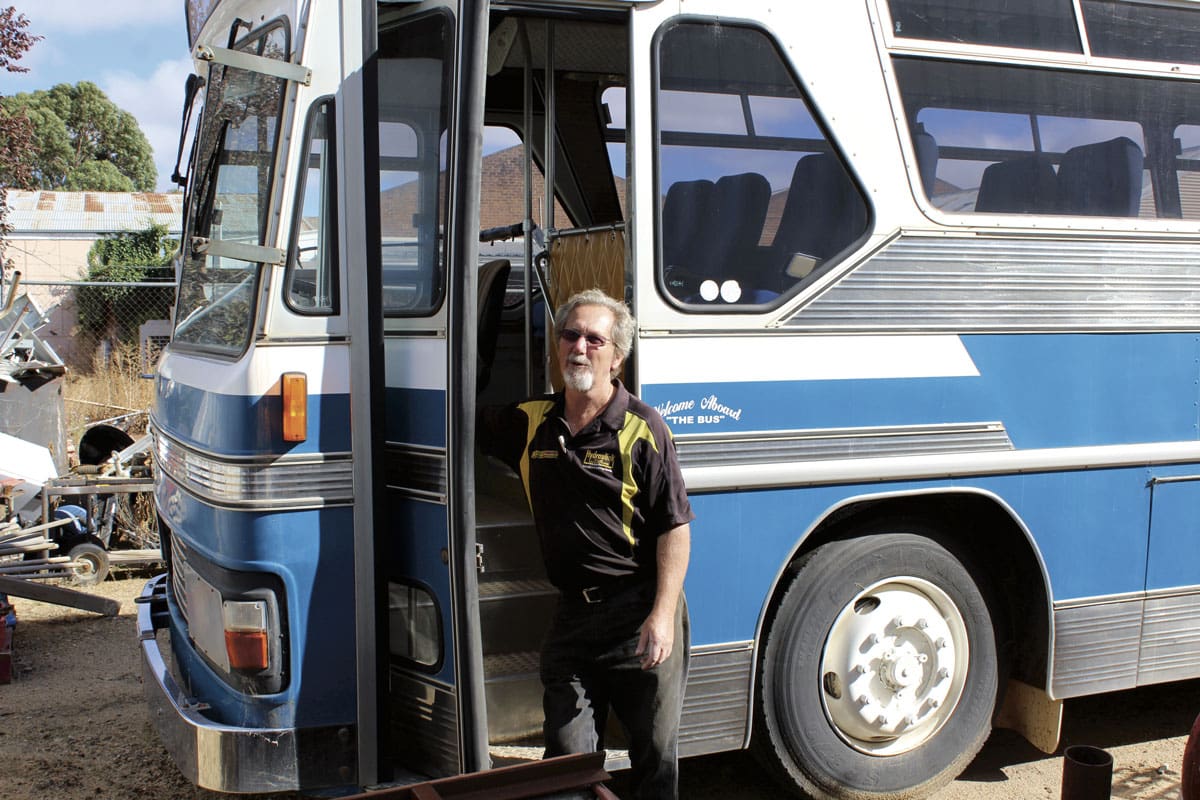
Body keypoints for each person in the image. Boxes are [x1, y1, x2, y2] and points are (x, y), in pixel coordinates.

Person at [478, 288, 693, 800]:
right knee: (566, 766)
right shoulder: (531, 422)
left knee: (653, 761)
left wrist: (661, 616)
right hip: (573, 619)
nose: (579, 347)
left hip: (639, 613)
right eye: (570, 335)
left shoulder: (643, 429)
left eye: (594, 339)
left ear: (616, 357)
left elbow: (675, 527)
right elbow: (449, 411)